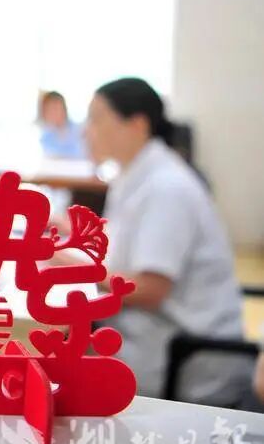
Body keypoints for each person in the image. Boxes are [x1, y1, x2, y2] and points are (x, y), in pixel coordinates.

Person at [71, 77, 247, 404]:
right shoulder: (136, 174)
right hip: (149, 334)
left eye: (96, 119)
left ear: (137, 125)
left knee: (54, 366)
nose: (86, 132)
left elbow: (150, 289)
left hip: (183, 357)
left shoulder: (167, 188)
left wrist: (73, 266)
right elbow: (122, 246)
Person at [37, 90, 85, 159]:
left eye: (55, 108)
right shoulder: (46, 136)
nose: (53, 113)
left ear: (64, 108)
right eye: (49, 110)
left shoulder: (80, 131)